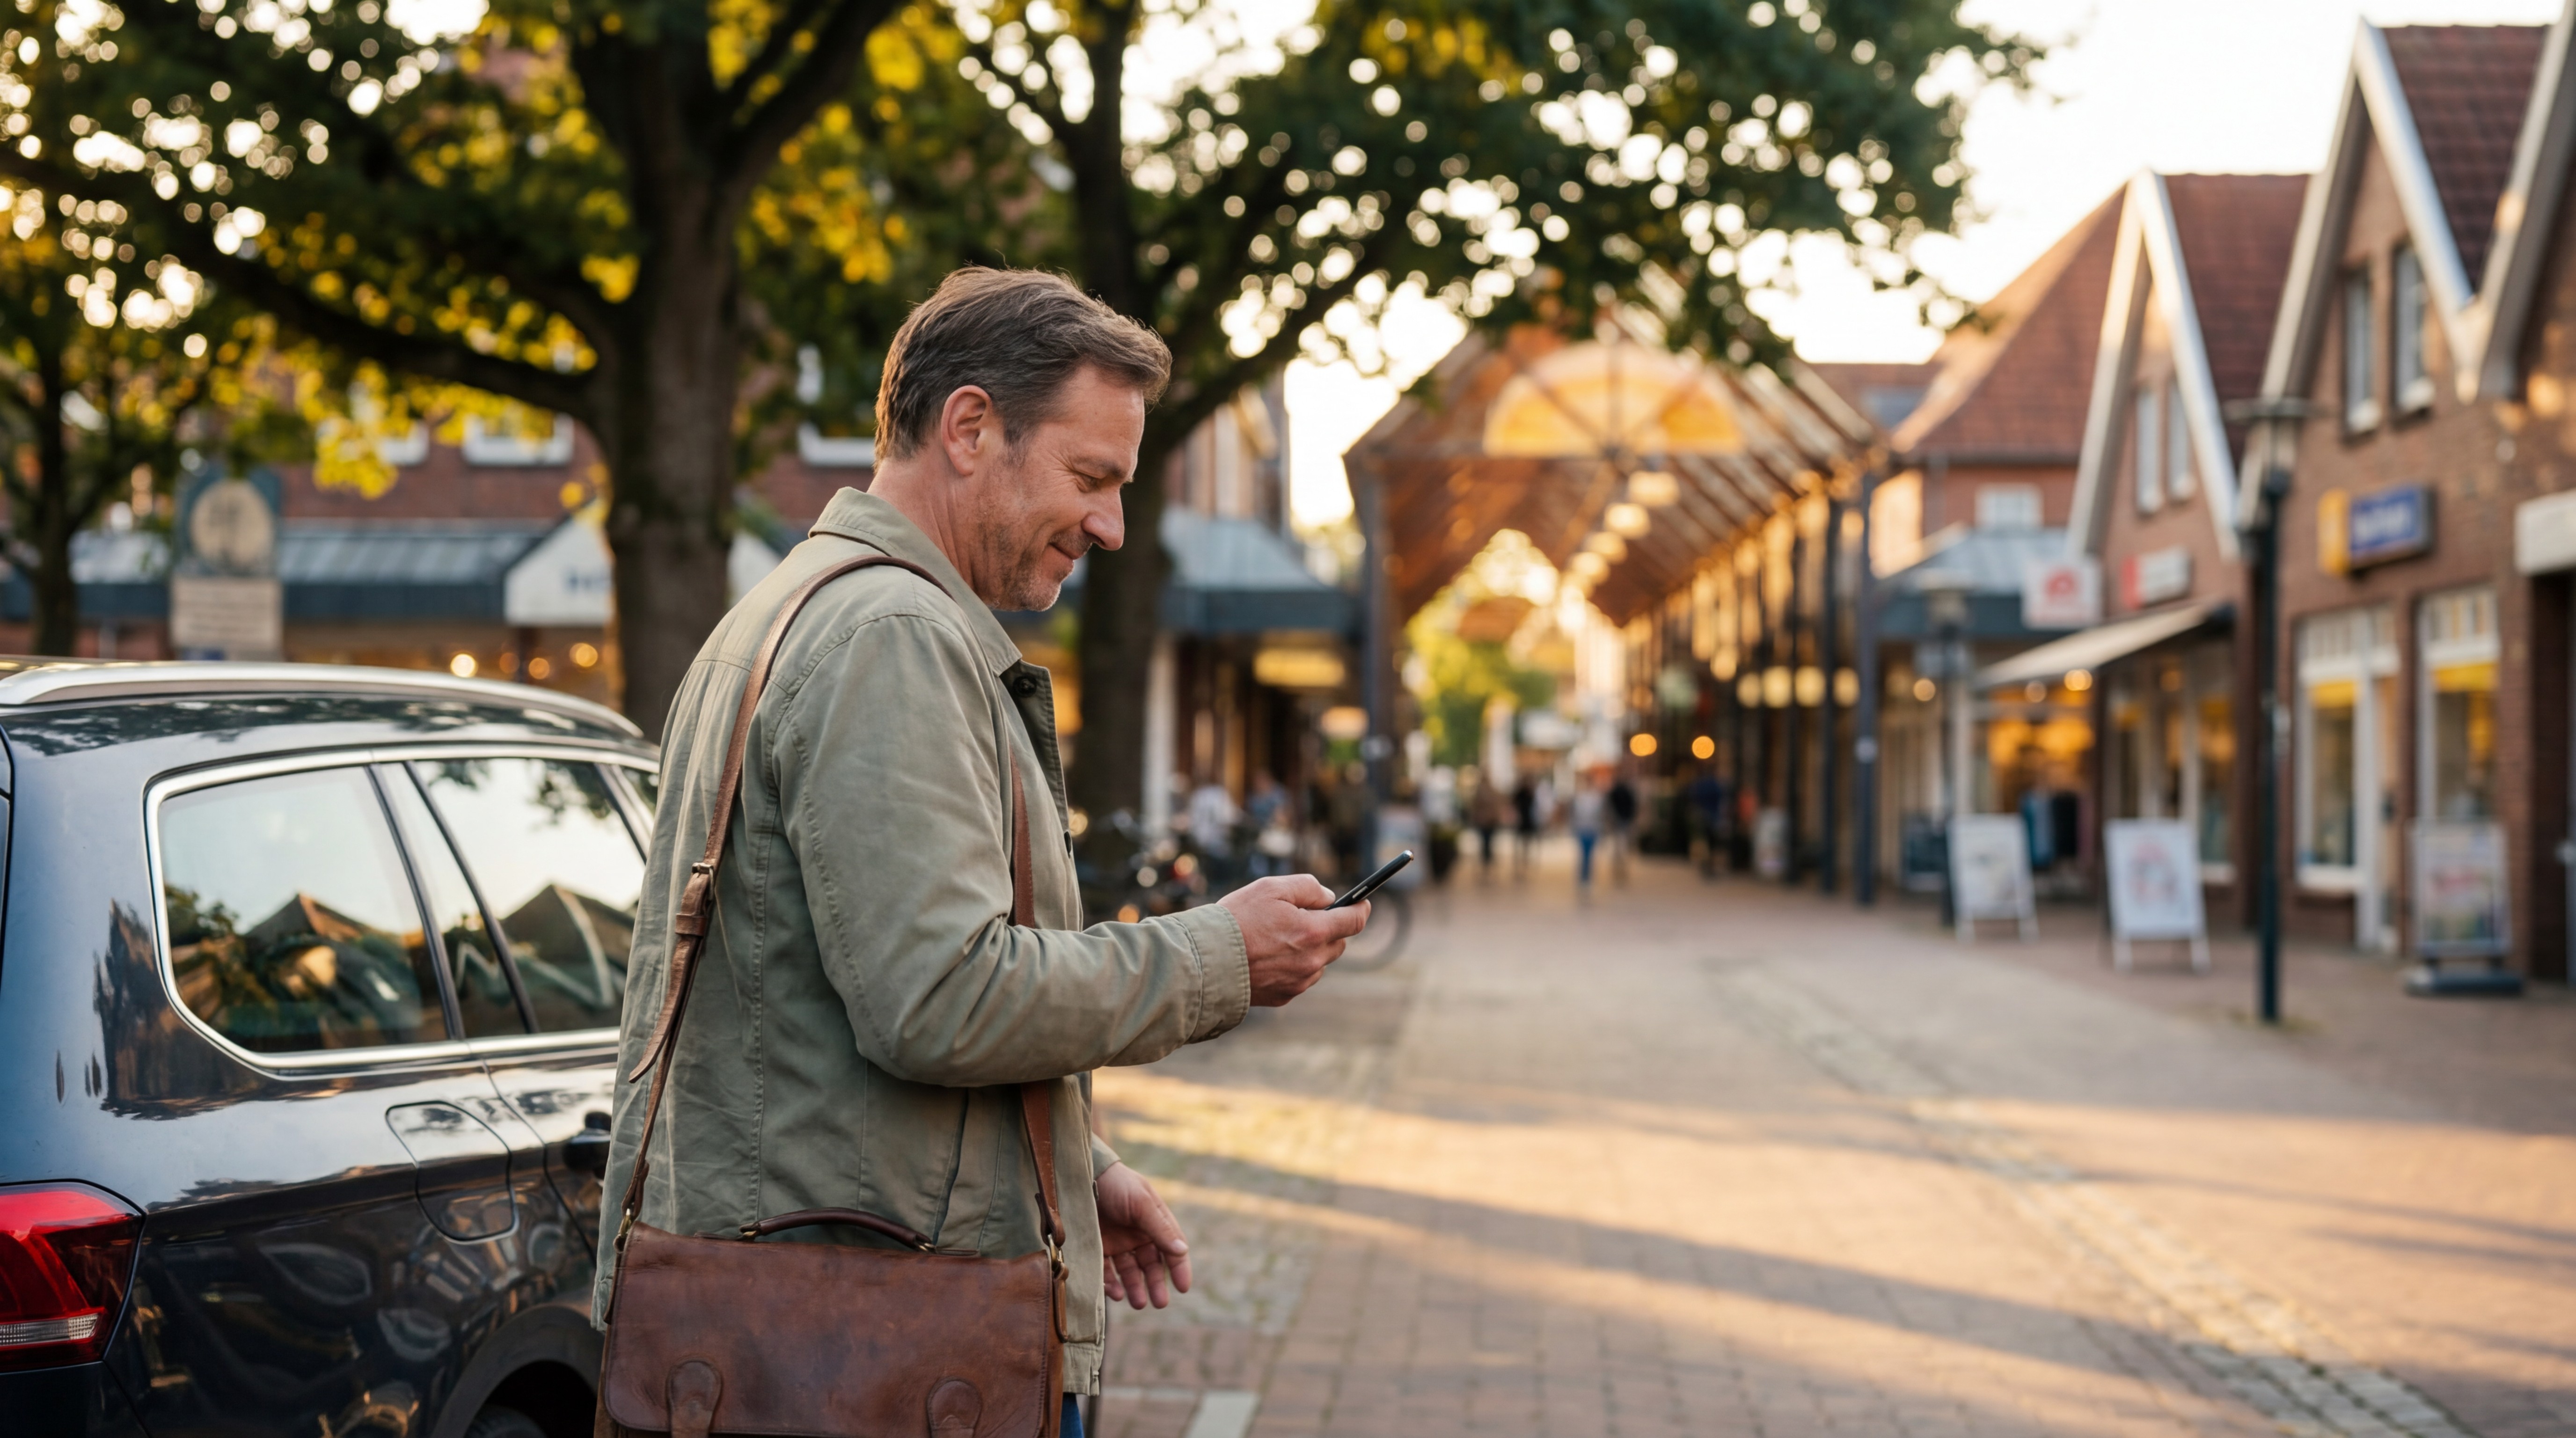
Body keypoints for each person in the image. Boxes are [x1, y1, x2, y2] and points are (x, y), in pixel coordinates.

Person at [595, 269, 1367, 1437]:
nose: (1109, 524)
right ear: (969, 429)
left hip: (820, 1316)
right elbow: (940, 996)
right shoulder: (891, 636)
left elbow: (816, 996)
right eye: (1090, 477)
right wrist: (1220, 955)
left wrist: (1070, 1156)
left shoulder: (796, 608)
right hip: (882, 1343)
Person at [1568, 769, 1607, 890]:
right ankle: (1583, 878)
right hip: (1582, 829)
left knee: (1590, 855)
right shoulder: (1580, 796)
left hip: (1593, 829)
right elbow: (1574, 813)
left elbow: (1601, 814)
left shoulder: (1597, 797)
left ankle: (1588, 878)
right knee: (1584, 854)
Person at [1468, 770, 1508, 880]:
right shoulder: (1481, 792)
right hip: (1483, 822)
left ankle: (1488, 866)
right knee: (1485, 844)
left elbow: (1497, 805)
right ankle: (1486, 866)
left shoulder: (1490, 791)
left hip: (1490, 822)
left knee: (1488, 844)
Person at [1606, 768, 1639, 887]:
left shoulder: (1617, 792)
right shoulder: (1623, 792)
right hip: (1622, 822)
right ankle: (1620, 873)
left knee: (1620, 849)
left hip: (1621, 822)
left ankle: (1620, 873)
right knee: (1621, 849)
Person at [1509, 774, 1539, 880]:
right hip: (1520, 821)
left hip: (1528, 821)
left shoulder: (1531, 793)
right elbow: (1513, 806)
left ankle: (1524, 866)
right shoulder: (1520, 793)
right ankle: (1519, 867)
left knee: (1526, 845)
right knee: (1519, 845)